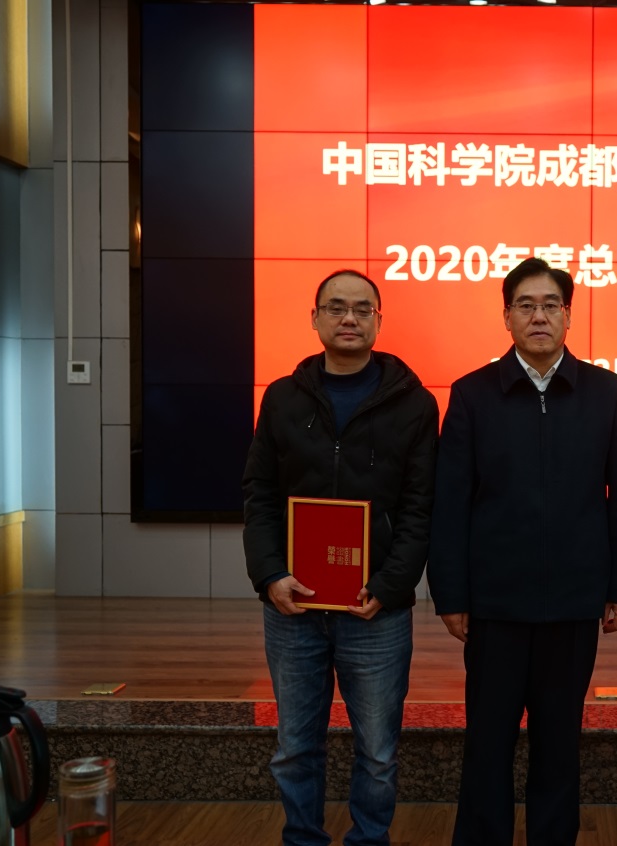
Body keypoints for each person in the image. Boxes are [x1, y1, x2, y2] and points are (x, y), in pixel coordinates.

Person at [428, 256, 617, 846]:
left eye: (551, 305)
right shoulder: (472, 394)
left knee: (559, 744)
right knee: (487, 745)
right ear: (506, 317)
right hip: (494, 606)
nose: (539, 316)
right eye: (525, 305)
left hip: (574, 605)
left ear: (569, 316)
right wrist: (450, 594)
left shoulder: (605, 392)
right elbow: (450, 503)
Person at [243, 269, 439, 846]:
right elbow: (259, 494)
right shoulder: (282, 398)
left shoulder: (415, 404)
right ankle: (303, 838)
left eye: (361, 309)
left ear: (379, 320)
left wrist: (391, 586)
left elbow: (420, 507)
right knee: (294, 746)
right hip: (293, 606)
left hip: (374, 609)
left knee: (377, 751)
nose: (348, 318)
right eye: (335, 307)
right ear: (315, 318)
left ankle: (368, 839)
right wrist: (270, 574)